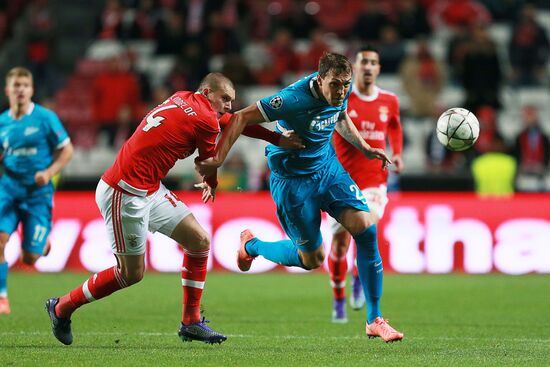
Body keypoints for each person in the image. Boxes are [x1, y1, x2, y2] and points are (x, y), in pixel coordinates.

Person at [45, 72, 303, 345]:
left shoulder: (182, 97)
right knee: (130, 274)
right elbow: (208, 164)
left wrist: (275, 139)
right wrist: (211, 183)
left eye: (232, 100)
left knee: (200, 241)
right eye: (225, 98)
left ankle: (190, 322)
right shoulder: (205, 119)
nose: (229, 105)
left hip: (150, 188)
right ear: (206, 93)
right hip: (124, 192)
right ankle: (61, 307)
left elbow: (231, 121)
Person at [197, 53, 404, 342]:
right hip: (293, 183)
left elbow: (340, 116)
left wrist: (365, 148)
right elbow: (240, 117)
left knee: (367, 227)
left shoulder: (340, 92)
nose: (342, 90)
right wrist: (217, 159)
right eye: (335, 84)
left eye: (346, 84)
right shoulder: (292, 99)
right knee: (312, 259)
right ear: (320, 80)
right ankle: (252, 246)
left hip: (328, 170)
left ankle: (374, 319)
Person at [328, 45, 404, 323]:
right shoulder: (341, 98)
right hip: (340, 182)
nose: (369, 66)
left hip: (375, 182)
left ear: (379, 69)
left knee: (366, 230)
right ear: (355, 68)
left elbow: (395, 125)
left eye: (374, 62)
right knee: (338, 246)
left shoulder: (390, 100)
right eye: (364, 62)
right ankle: (338, 299)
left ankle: (360, 280)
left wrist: (397, 152)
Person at [0, 67, 74, 314]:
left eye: (24, 85)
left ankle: (41, 246)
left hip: (37, 195)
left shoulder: (45, 118)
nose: (20, 89)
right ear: (7, 90)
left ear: (31, 90)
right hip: (8, 190)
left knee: (29, 258)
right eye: (16, 84)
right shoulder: (2, 122)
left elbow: (67, 150)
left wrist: (49, 172)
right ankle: (2, 297)